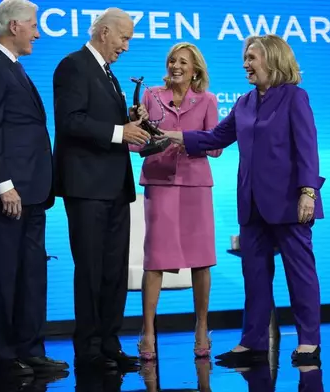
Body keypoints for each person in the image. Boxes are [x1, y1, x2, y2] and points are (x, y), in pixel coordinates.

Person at [161, 34, 325, 367]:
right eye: (245, 58)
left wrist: (308, 192)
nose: (245, 64)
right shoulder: (244, 102)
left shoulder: (295, 97)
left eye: (252, 57)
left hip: (290, 203)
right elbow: (215, 137)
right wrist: (170, 135)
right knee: (254, 276)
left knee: (300, 273)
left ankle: (309, 340)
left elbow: (307, 148)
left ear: (273, 59)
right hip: (251, 204)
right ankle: (253, 342)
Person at [0, 0, 67, 377]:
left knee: (32, 273)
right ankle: (4, 356)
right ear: (14, 27)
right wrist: (4, 185)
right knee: (7, 273)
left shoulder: (14, 68)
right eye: (34, 26)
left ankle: (31, 349)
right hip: (10, 192)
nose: (38, 33)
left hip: (34, 191)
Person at [52, 7, 151, 370]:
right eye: (124, 38)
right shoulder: (73, 65)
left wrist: (128, 123)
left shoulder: (108, 74)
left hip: (113, 186)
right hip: (87, 187)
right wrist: (119, 132)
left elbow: (101, 122)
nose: (126, 46)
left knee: (113, 271)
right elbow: (70, 121)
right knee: (91, 270)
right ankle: (89, 349)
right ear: (104, 32)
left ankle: (109, 343)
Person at [128, 42, 222, 360]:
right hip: (160, 183)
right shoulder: (151, 95)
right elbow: (136, 146)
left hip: (196, 186)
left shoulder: (208, 100)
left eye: (183, 61)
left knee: (201, 259)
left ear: (195, 69)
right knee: (156, 259)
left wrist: (187, 140)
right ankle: (148, 331)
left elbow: (216, 146)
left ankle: (201, 328)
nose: (176, 66)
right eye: (172, 60)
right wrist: (139, 128)